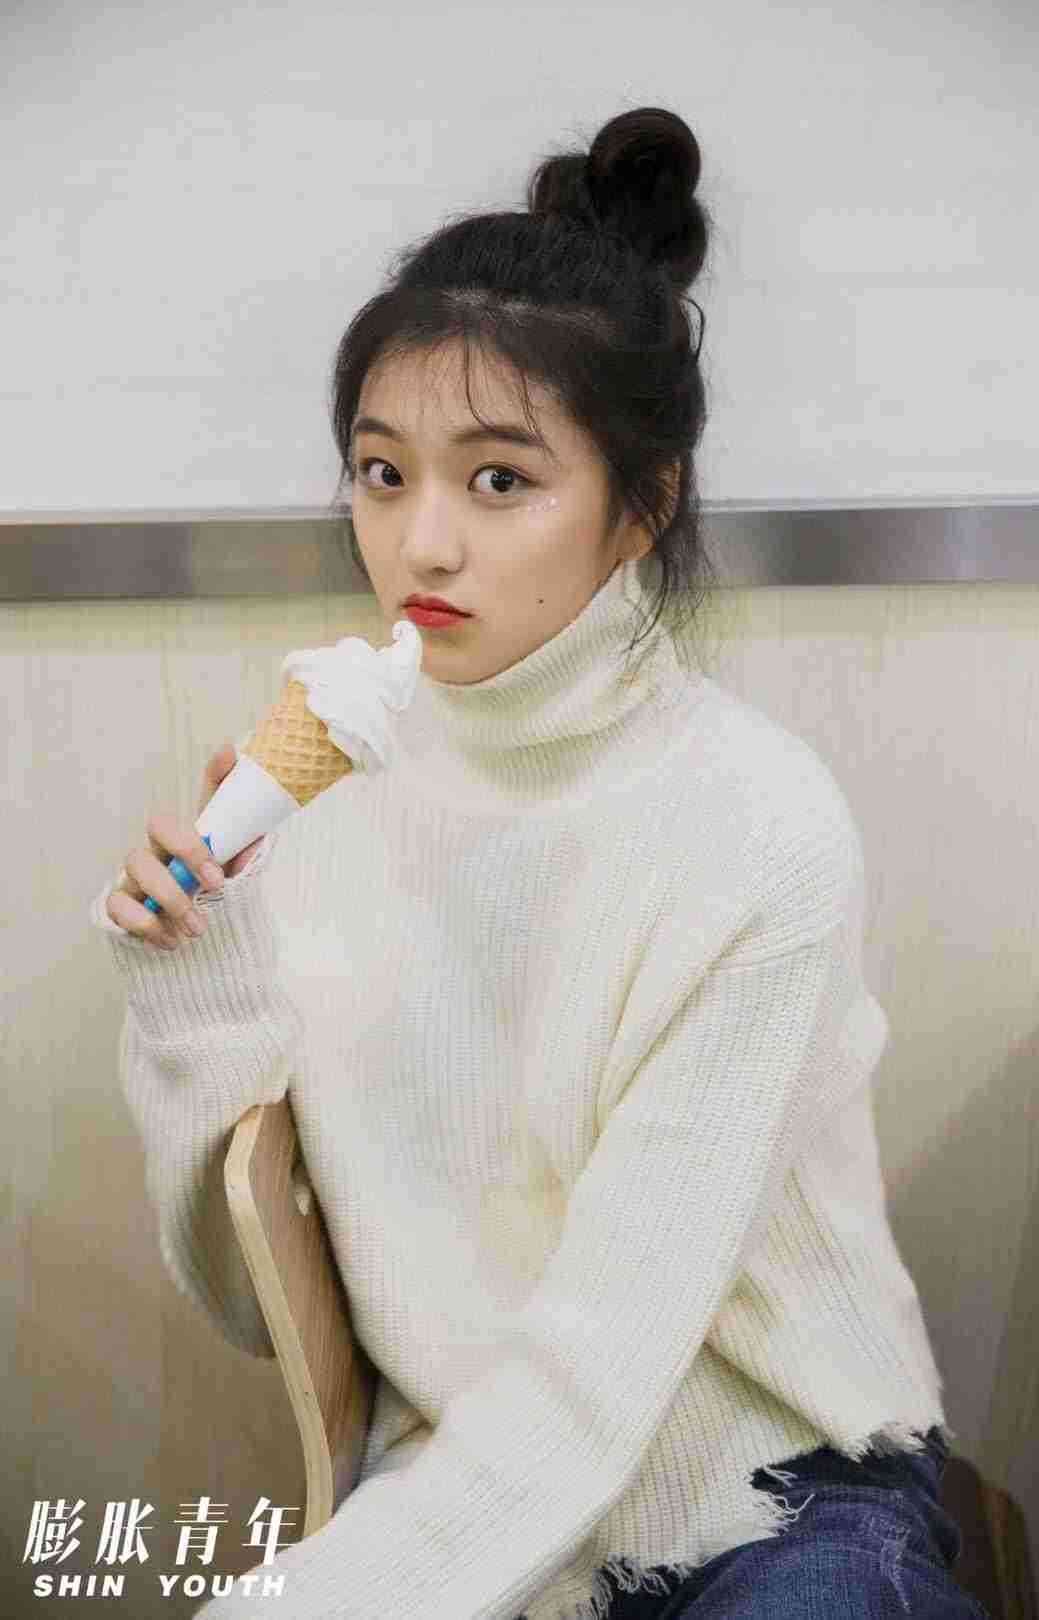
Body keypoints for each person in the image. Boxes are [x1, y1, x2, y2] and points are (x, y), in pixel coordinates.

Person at [88, 107, 987, 1620]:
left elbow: (604, 1360)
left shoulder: (760, 828)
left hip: (767, 1490)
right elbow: (263, 1310)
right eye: (382, 473)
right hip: (459, 1473)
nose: (422, 543)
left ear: (643, 507)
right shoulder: (313, 787)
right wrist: (193, 982)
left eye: (499, 481)